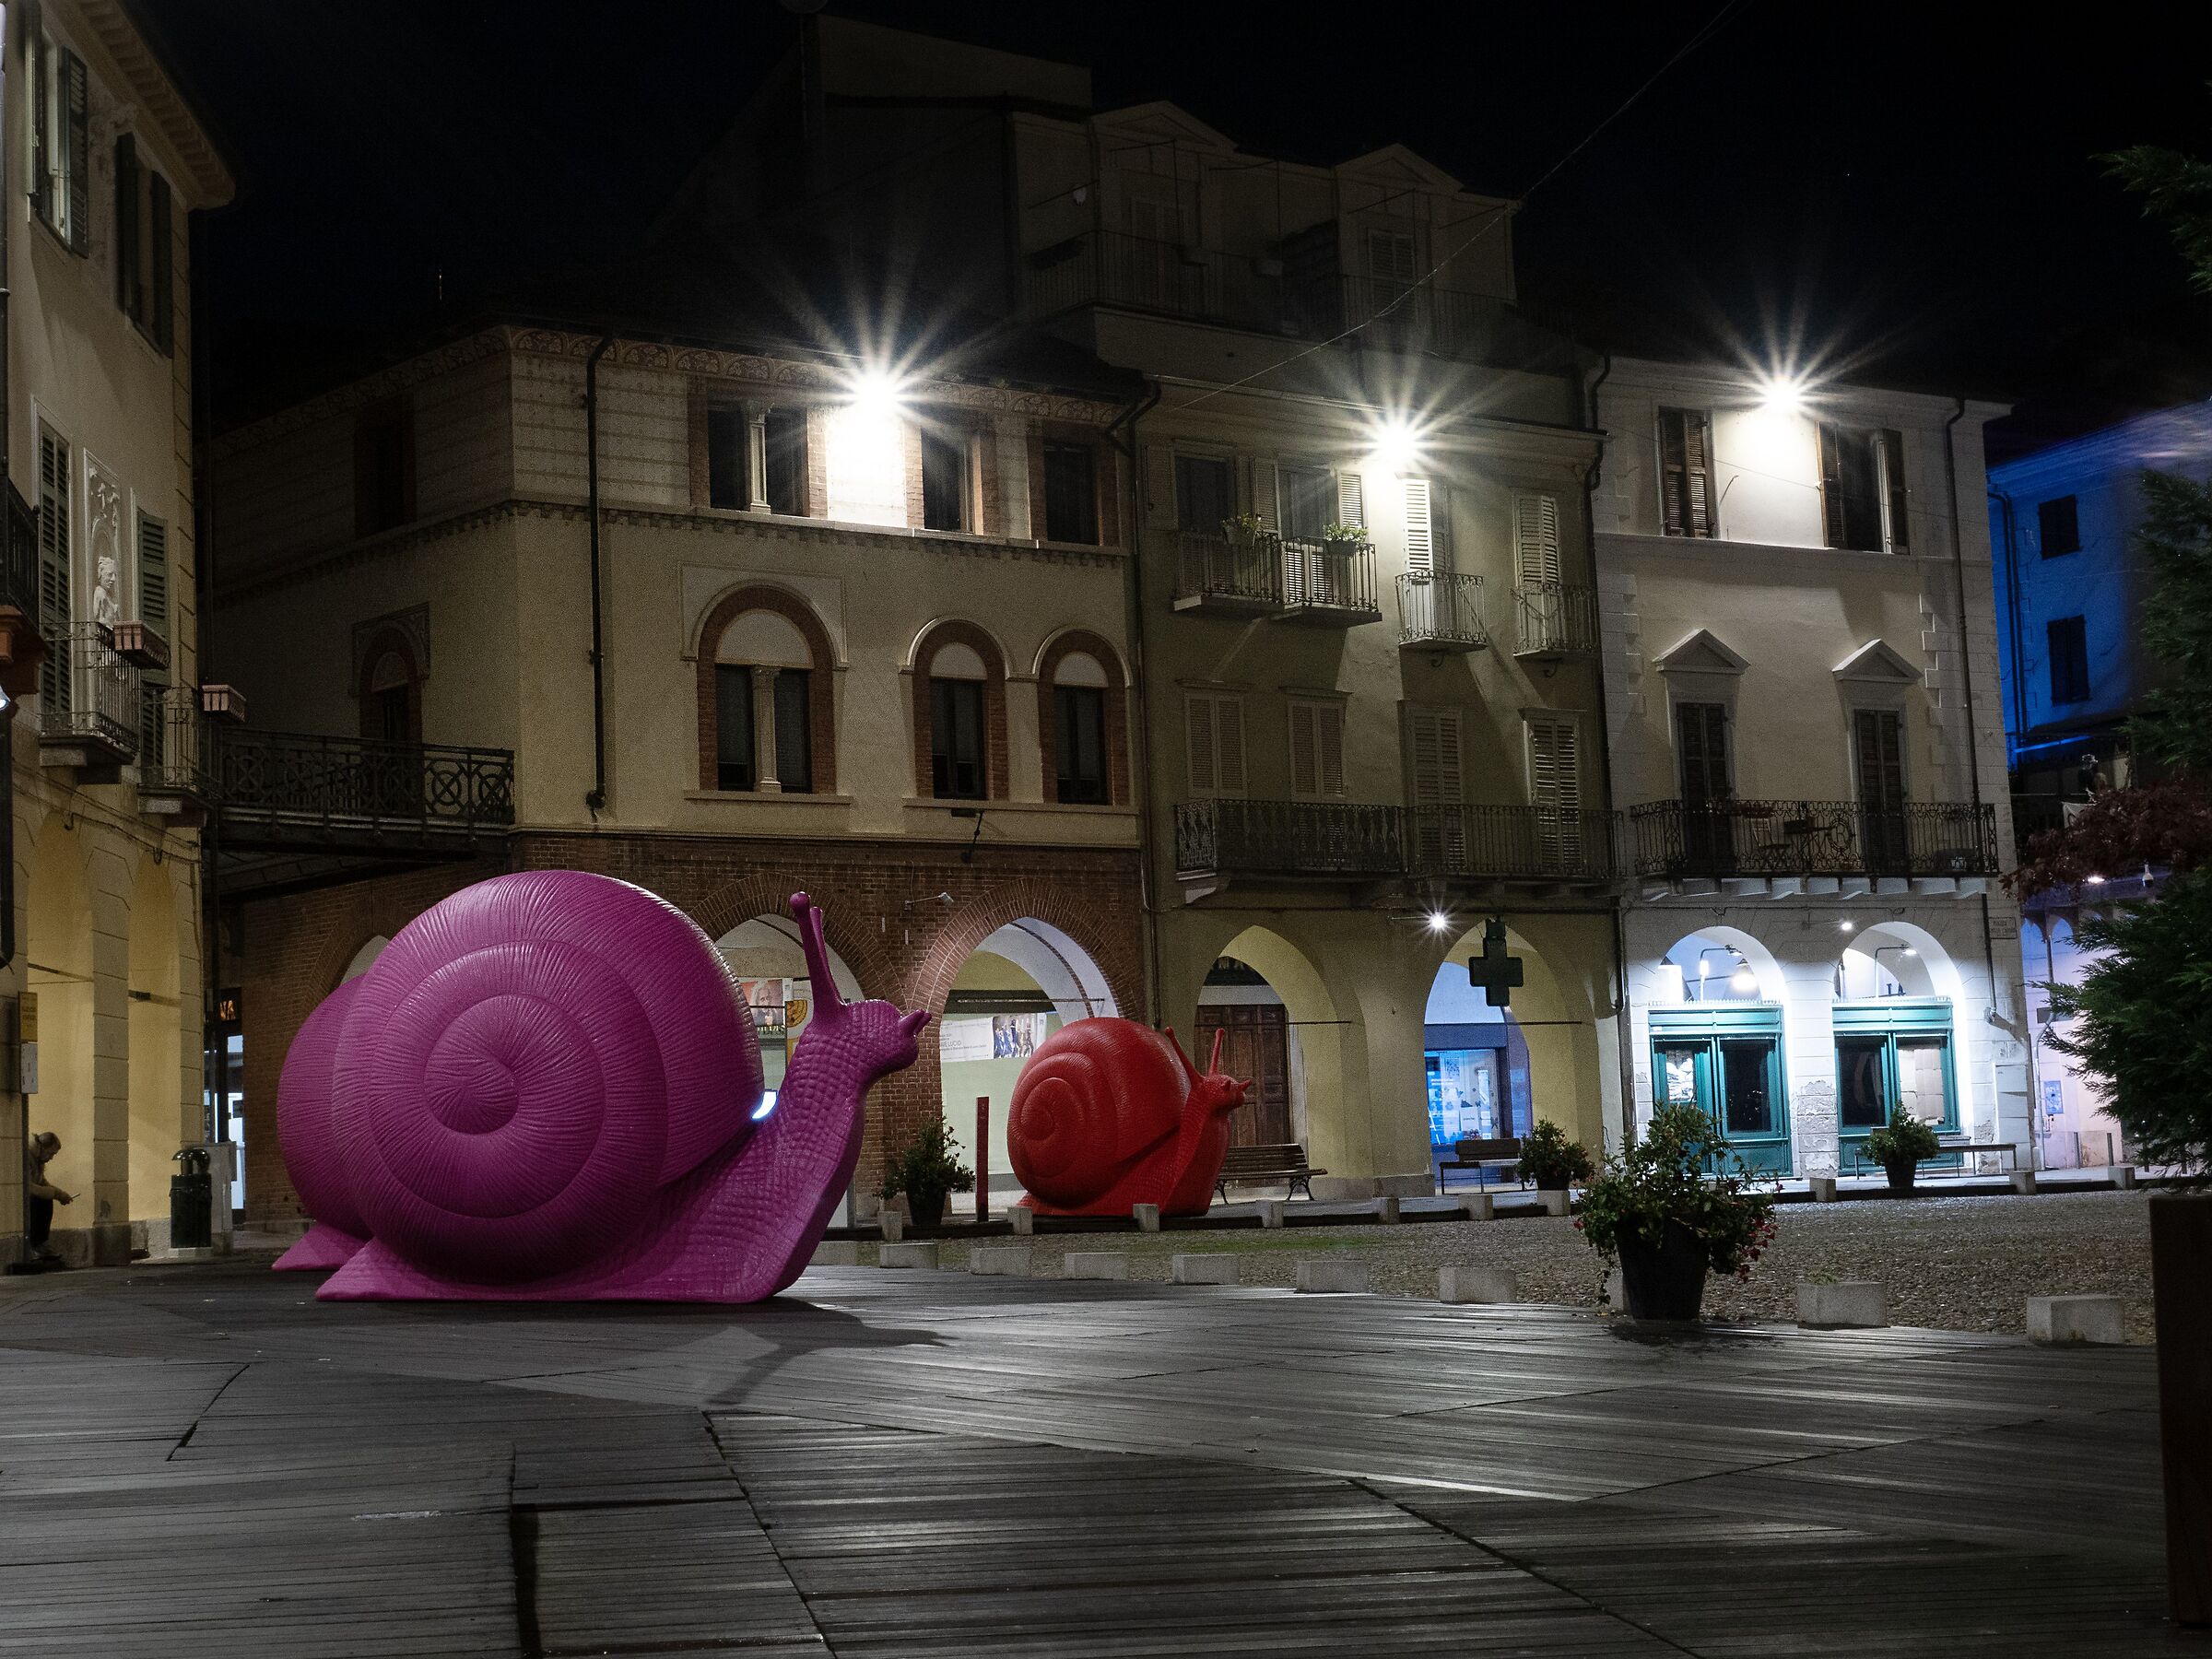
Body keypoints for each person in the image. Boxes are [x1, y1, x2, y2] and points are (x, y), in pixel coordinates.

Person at [25, 1131, 72, 1265]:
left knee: (45, 1199)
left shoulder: (38, 1158)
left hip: (30, 1197)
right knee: (41, 1201)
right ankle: (36, 1245)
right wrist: (57, 1194)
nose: (51, 1158)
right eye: (51, 1153)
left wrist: (60, 1194)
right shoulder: (27, 1155)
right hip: (24, 1201)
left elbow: (42, 1182)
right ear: (42, 1147)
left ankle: (41, 1244)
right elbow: (30, 1188)